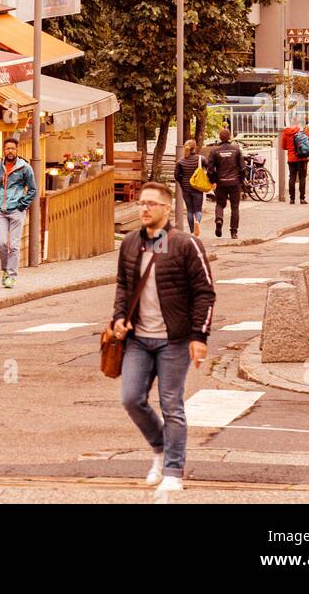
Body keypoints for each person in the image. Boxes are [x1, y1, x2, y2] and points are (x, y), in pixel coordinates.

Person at [112, 181, 215, 495]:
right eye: (142, 203)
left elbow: (205, 292)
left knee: (171, 404)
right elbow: (122, 286)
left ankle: (173, 469)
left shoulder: (184, 244)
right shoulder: (131, 243)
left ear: (167, 208)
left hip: (174, 340)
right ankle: (159, 448)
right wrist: (118, 318)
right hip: (139, 339)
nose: (144, 208)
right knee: (131, 399)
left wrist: (199, 336)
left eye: (151, 204)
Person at [0, 136, 37, 289]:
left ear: (17, 150)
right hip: (0, 210)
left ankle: (11, 275)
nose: (10, 151)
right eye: (7, 149)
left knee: (14, 245)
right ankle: (6, 269)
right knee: (1, 243)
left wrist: (23, 204)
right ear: (4, 150)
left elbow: (32, 189)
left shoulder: (25, 167)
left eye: (12, 148)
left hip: (17, 211)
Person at [206, 125, 246, 239]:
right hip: (234, 183)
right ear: (230, 137)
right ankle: (234, 232)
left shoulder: (214, 151)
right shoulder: (236, 150)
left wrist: (214, 180)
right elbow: (243, 168)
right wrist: (240, 181)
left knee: (220, 204)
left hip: (221, 183)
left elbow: (210, 169)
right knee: (235, 207)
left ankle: (219, 219)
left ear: (219, 137)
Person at [173, 138, 204, 236]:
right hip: (198, 188)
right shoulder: (201, 159)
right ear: (195, 148)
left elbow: (176, 175)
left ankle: (191, 232)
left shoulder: (180, 161)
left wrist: (182, 183)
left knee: (189, 210)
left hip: (186, 189)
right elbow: (210, 169)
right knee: (198, 210)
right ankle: (197, 222)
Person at [281, 123, 309, 205]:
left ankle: (292, 199)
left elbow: (283, 146)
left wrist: (291, 147)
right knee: (302, 178)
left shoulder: (286, 132)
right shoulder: (303, 130)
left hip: (291, 158)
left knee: (292, 177)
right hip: (302, 158)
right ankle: (302, 199)